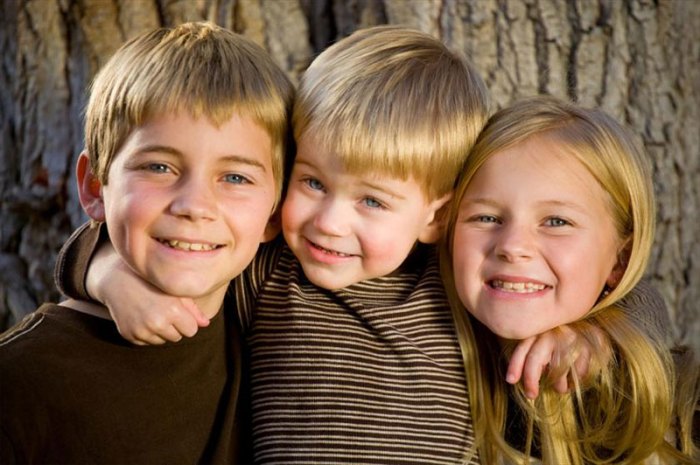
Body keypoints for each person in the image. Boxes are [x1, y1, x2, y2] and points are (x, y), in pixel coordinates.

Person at [55, 28, 672, 464]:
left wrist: (594, 332)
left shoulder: (452, 283)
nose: (328, 222)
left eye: (372, 202)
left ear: (436, 217)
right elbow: (163, 247)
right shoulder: (272, 272)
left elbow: (631, 302)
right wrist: (111, 276)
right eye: (313, 183)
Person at [0, 22, 293, 464]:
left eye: (235, 177)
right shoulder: (20, 384)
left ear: (275, 211)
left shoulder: (282, 325)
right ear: (96, 188)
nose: (195, 206)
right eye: (159, 168)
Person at [440, 95, 699, 464]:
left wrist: (613, 331)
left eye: (556, 222)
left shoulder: (676, 406)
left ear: (620, 260)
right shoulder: (422, 341)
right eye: (486, 218)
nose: (513, 247)